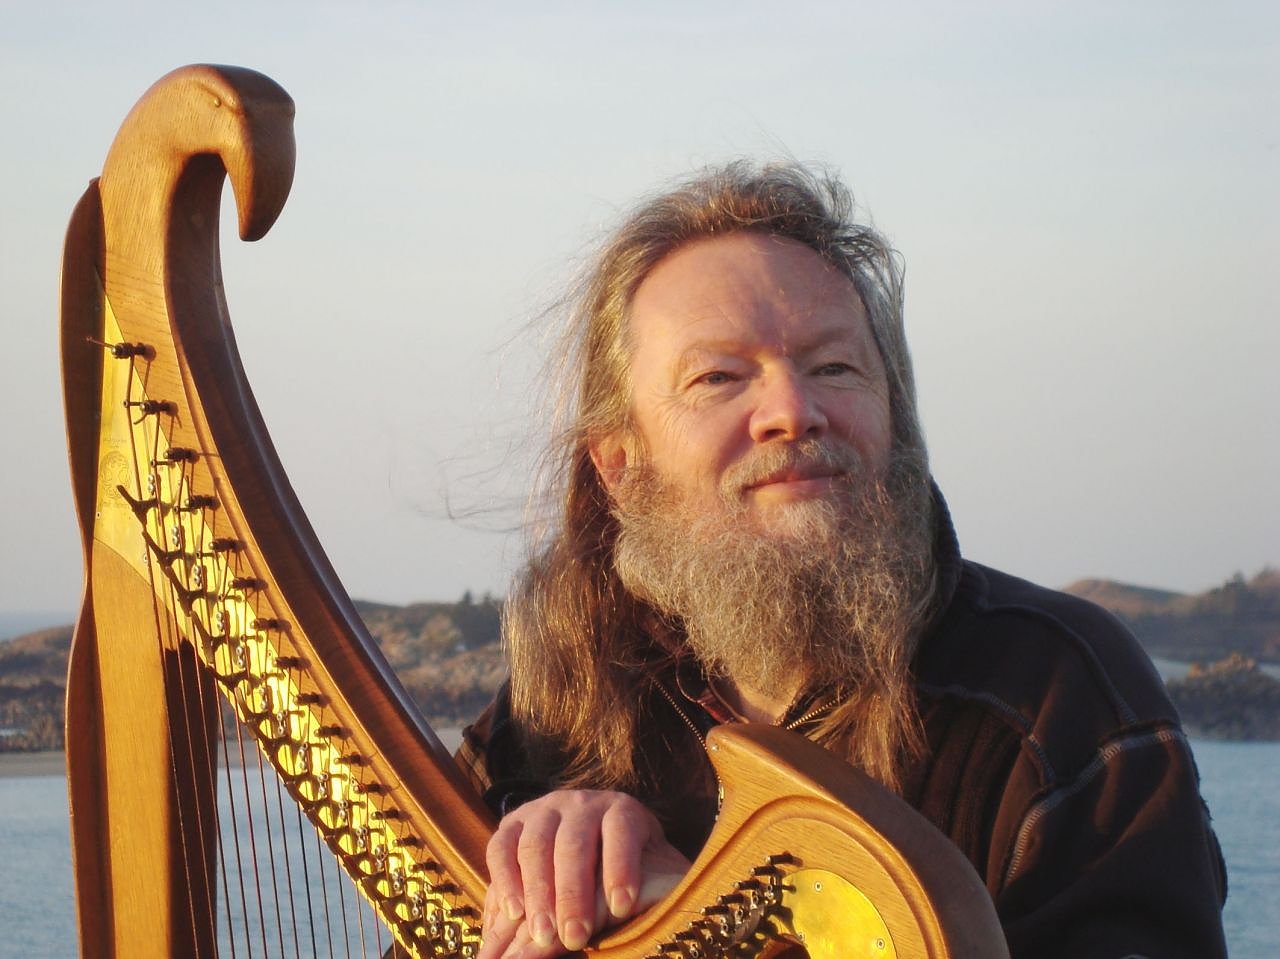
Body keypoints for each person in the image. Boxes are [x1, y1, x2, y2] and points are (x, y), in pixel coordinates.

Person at [456, 162, 1228, 959]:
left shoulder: (1057, 694)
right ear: (619, 463)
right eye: (718, 377)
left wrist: (700, 932)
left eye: (833, 367)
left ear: (893, 414)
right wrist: (539, 887)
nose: (793, 410)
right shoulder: (556, 713)